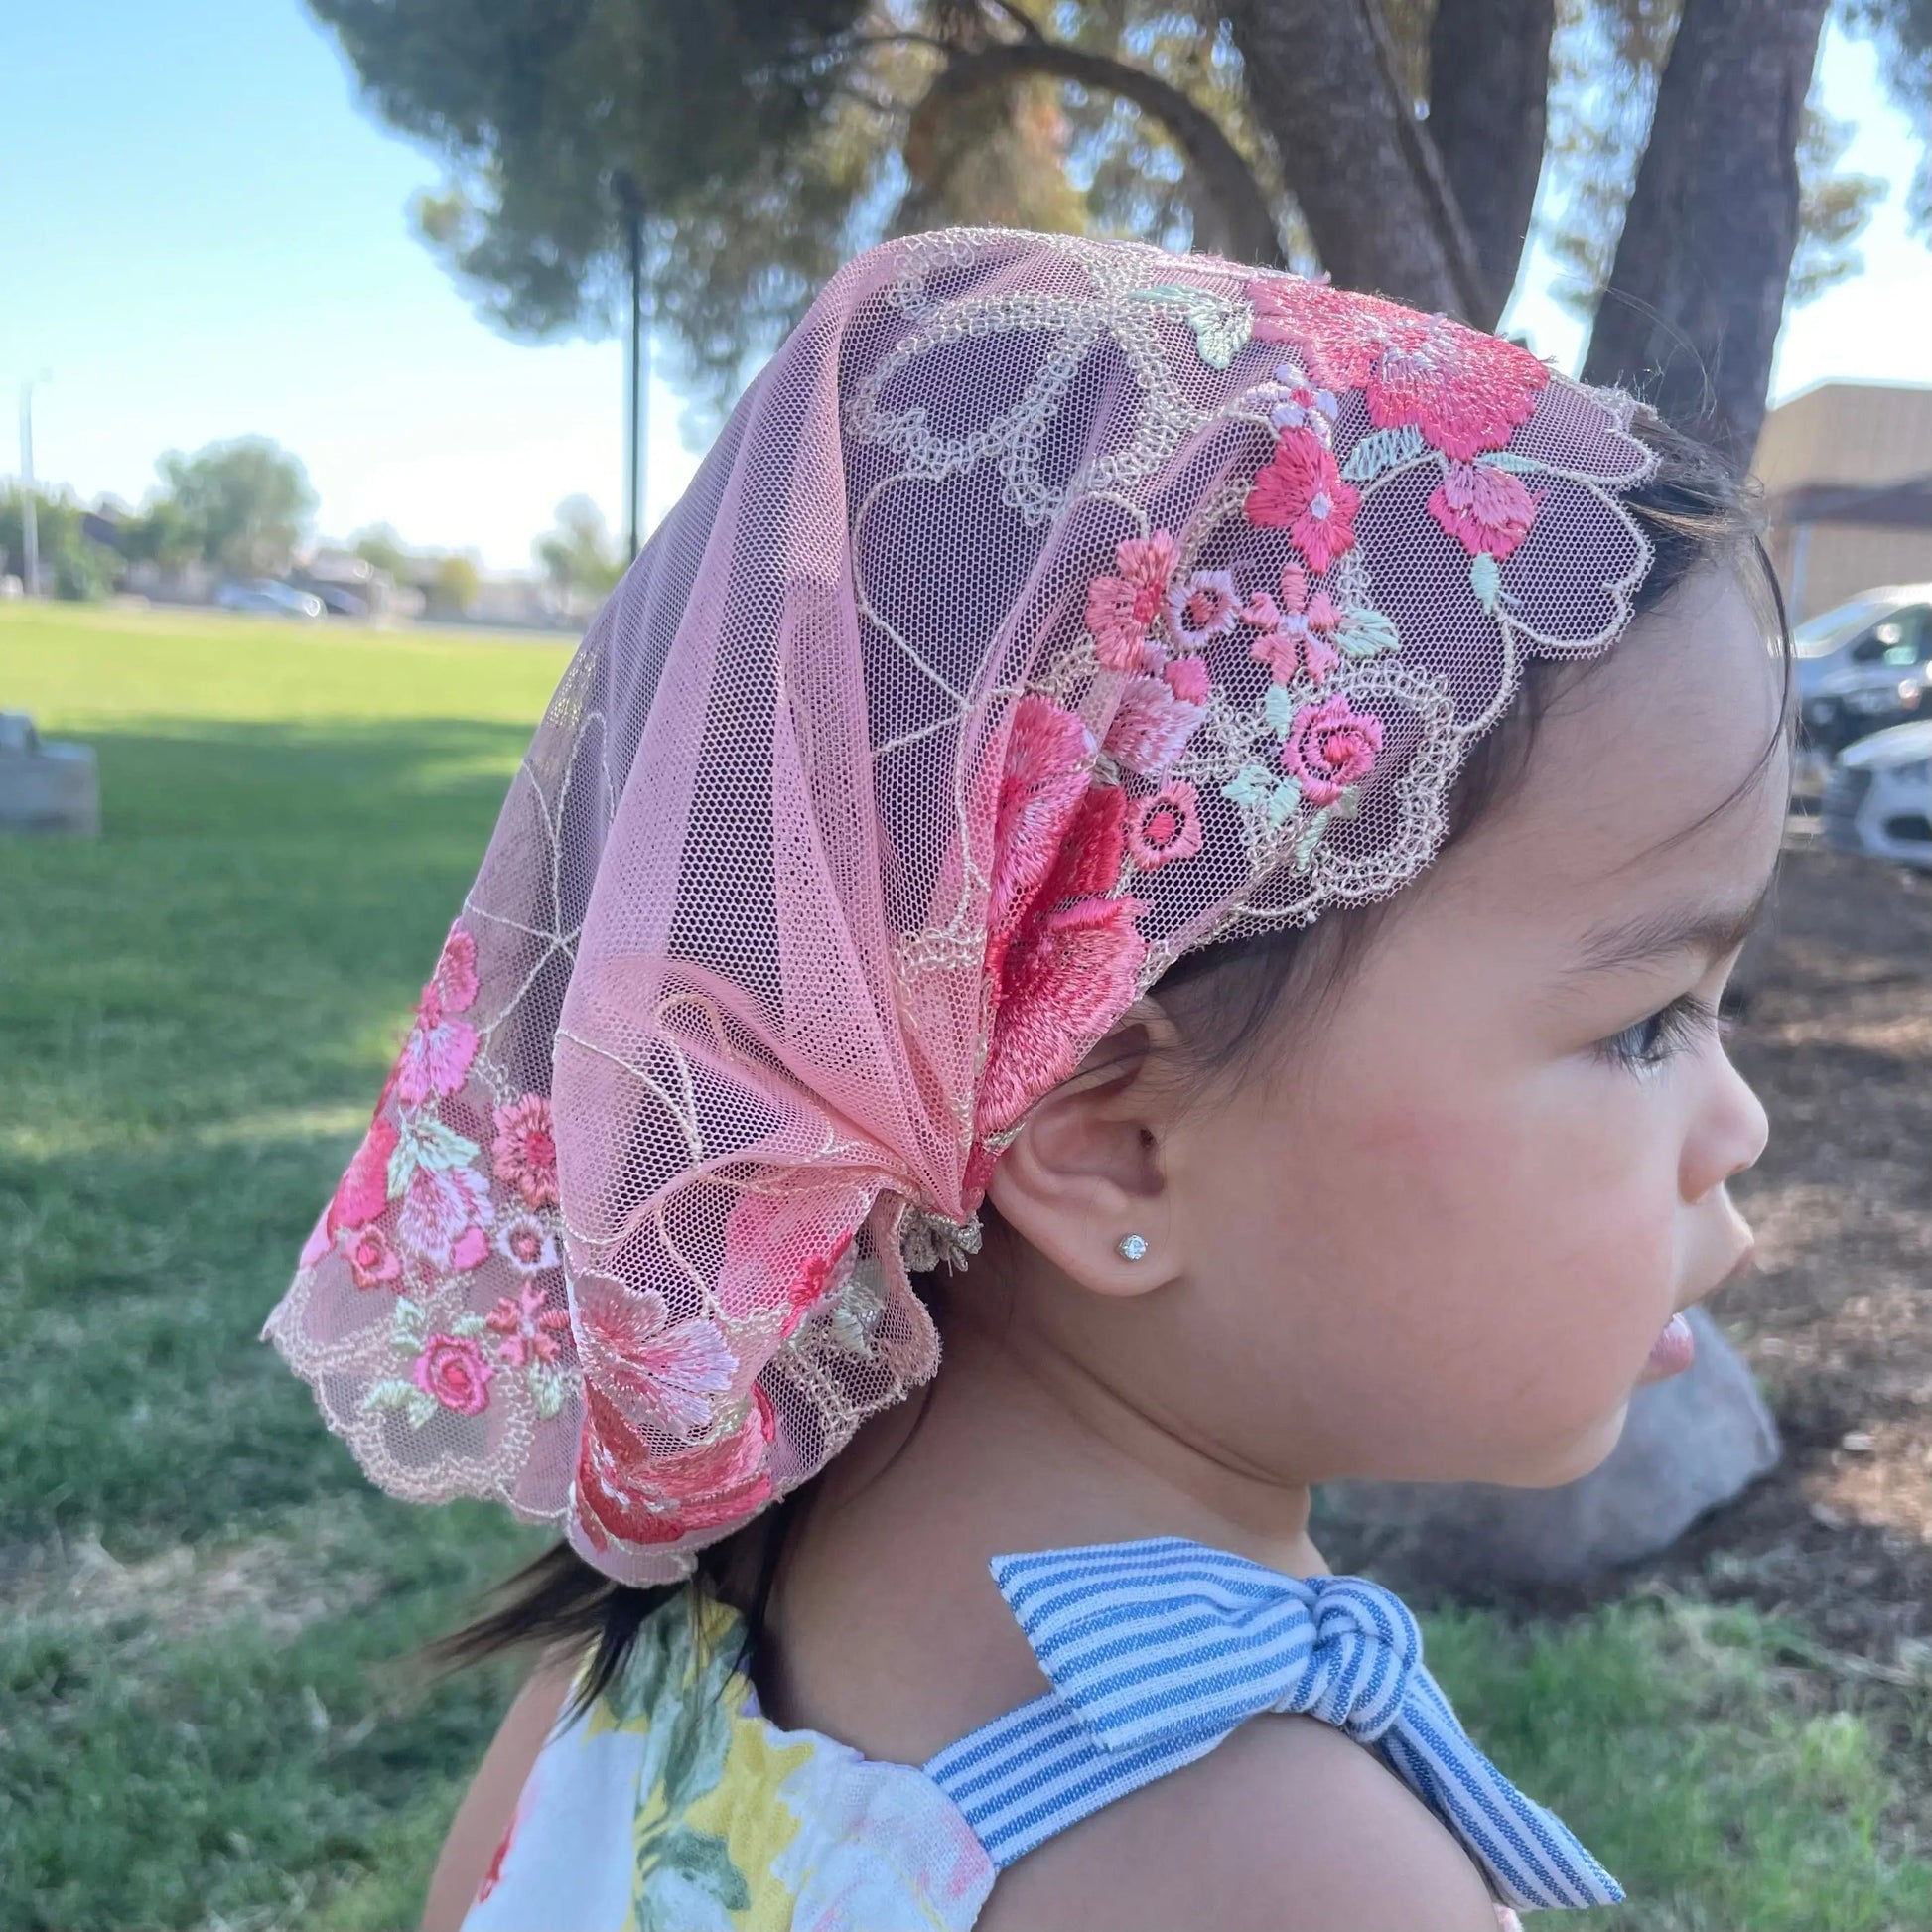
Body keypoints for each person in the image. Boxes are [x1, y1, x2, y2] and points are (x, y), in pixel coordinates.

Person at [265, 227, 1791, 1931]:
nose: (1734, 1120)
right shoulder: (1279, 1876)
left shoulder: (646, 1651)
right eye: (1647, 1019)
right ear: (1111, 1139)